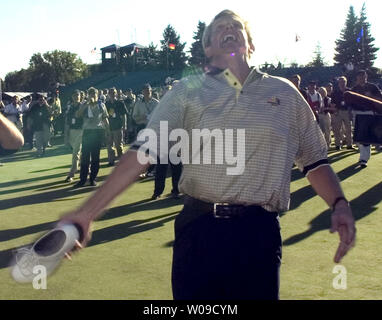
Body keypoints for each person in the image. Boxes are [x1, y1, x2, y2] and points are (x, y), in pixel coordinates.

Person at [60, 10, 356, 300]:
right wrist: (89, 211)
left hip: (258, 233)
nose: (227, 28)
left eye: (235, 25)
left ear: (250, 44)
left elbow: (315, 160)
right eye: (218, 28)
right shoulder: (186, 91)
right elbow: (143, 151)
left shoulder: (286, 93)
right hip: (199, 229)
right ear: (209, 47)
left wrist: (339, 203)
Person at [74, 87, 109, 188]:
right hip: (87, 132)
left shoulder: (101, 105)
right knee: (85, 157)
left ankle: (93, 178)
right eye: (90, 94)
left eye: (94, 94)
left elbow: (105, 118)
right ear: (88, 95)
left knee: (95, 157)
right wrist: (85, 105)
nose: (92, 96)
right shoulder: (84, 105)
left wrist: (108, 131)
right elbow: (78, 115)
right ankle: (82, 179)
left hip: (97, 132)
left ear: (97, 95)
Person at [351, 70, 382, 168]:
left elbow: (380, 99)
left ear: (366, 77)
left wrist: (370, 96)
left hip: (369, 113)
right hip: (357, 113)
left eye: (363, 76)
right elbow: (350, 101)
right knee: (359, 136)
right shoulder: (354, 88)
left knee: (366, 136)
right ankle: (362, 156)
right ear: (357, 78)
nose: (361, 78)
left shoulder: (373, 87)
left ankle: (364, 159)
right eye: (360, 77)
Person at [64, 90, 84, 183]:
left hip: (81, 131)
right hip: (72, 131)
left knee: (76, 153)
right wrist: (66, 135)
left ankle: (71, 174)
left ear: (80, 96)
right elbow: (67, 122)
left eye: (77, 95)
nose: (76, 97)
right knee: (79, 153)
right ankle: (86, 171)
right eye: (74, 95)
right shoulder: (70, 107)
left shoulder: (83, 106)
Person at [105, 88, 128, 166]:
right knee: (109, 145)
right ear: (108, 94)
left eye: (113, 93)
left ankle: (121, 161)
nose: (112, 94)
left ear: (116, 94)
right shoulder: (106, 104)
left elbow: (124, 115)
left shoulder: (120, 103)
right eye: (110, 93)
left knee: (119, 145)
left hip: (118, 126)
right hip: (109, 127)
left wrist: (124, 125)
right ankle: (111, 161)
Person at [331, 76, 353, 151]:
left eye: (343, 82)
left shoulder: (349, 91)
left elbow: (353, 102)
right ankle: (338, 145)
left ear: (346, 82)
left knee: (348, 129)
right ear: (338, 83)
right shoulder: (335, 92)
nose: (342, 83)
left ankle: (349, 145)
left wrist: (351, 111)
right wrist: (335, 110)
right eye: (340, 82)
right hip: (338, 111)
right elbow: (332, 103)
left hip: (347, 111)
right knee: (337, 129)